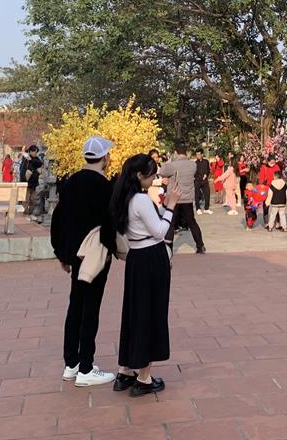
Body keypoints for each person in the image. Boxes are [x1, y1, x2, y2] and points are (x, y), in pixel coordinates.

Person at [50, 136, 117, 387]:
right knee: (91, 307)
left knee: (76, 305)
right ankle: (86, 368)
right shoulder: (103, 185)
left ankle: (72, 363)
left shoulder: (71, 182)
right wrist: (112, 250)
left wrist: (62, 254)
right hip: (95, 253)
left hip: (75, 253)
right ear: (105, 157)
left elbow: (59, 219)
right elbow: (110, 221)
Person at [111, 153, 180, 397]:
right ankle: (144, 377)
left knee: (134, 312)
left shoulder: (124, 196)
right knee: (150, 314)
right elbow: (160, 231)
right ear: (139, 175)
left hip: (136, 258)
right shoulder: (140, 199)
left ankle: (125, 370)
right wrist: (171, 206)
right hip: (151, 257)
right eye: (151, 175)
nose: (154, 179)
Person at [158, 145, 206, 254]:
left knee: (171, 223)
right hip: (187, 198)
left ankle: (168, 249)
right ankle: (200, 245)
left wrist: (169, 161)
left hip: (175, 198)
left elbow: (162, 172)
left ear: (176, 152)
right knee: (192, 222)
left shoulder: (173, 165)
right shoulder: (192, 165)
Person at [21, 144, 43, 215]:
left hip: (34, 182)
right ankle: (25, 213)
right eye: (34, 152)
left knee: (33, 199)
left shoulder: (35, 159)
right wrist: (23, 180)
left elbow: (39, 163)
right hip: (27, 182)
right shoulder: (25, 159)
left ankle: (30, 212)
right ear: (30, 151)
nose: (35, 153)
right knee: (26, 199)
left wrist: (31, 160)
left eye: (36, 152)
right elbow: (22, 170)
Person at [194, 150, 213, 215]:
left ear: (202, 154)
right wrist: (198, 177)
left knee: (207, 193)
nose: (198, 156)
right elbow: (194, 172)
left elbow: (208, 170)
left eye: (199, 154)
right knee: (197, 195)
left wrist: (206, 174)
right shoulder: (195, 163)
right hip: (197, 180)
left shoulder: (206, 161)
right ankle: (198, 208)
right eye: (197, 155)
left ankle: (206, 209)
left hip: (205, 181)